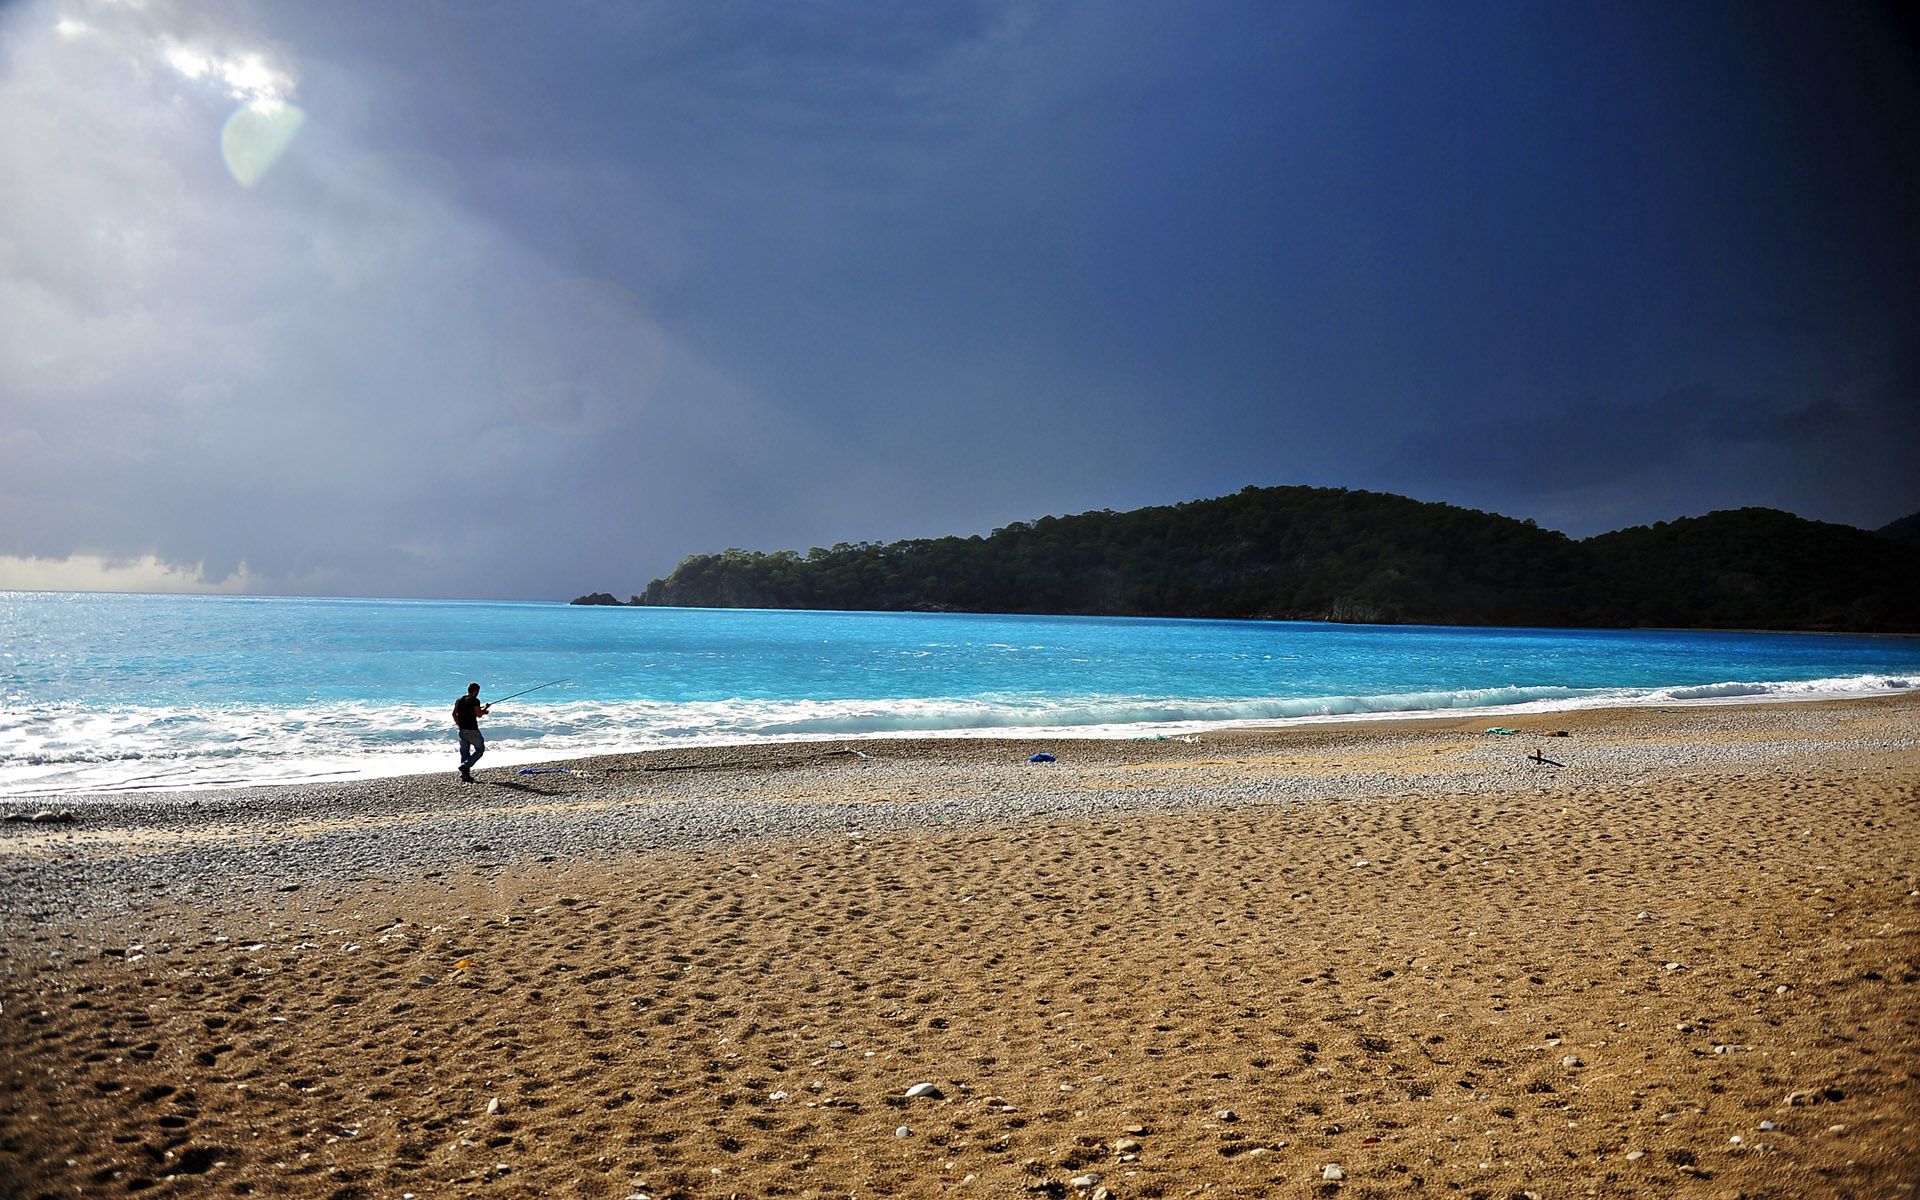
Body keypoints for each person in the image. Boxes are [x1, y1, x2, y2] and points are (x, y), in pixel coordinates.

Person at [452, 683, 490, 782]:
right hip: (472, 729)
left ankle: (465, 775)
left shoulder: (459, 700)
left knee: (465, 752)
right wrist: (485, 708)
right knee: (480, 749)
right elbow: (478, 714)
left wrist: (459, 725)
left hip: (462, 729)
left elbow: (454, 714)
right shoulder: (475, 700)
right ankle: (465, 766)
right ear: (476, 691)